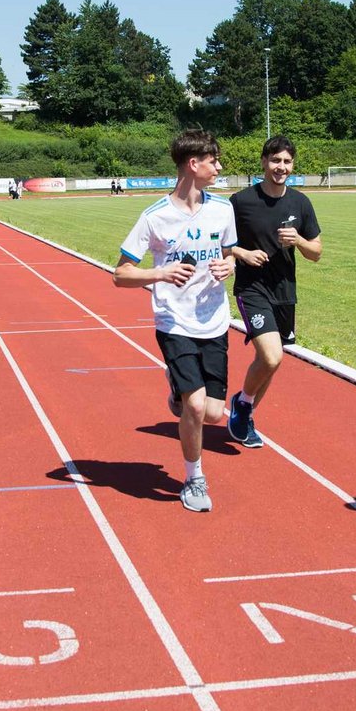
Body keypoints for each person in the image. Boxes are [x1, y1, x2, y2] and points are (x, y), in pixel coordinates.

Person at [113, 130, 236, 512]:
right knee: (196, 407)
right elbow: (120, 274)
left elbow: (230, 254)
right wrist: (160, 274)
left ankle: (176, 391)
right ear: (192, 164)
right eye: (213, 160)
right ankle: (194, 477)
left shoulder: (223, 210)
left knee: (214, 413)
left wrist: (227, 265)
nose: (219, 167)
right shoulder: (154, 218)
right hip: (174, 322)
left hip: (214, 319)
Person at [227, 136, 322, 449]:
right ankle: (243, 405)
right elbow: (222, 242)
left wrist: (299, 241)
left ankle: (247, 410)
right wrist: (242, 254)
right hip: (252, 288)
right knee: (271, 356)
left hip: (285, 291)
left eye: (287, 162)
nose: (281, 167)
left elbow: (316, 253)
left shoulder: (300, 203)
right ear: (264, 162)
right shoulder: (241, 202)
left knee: (270, 361)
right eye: (275, 161)